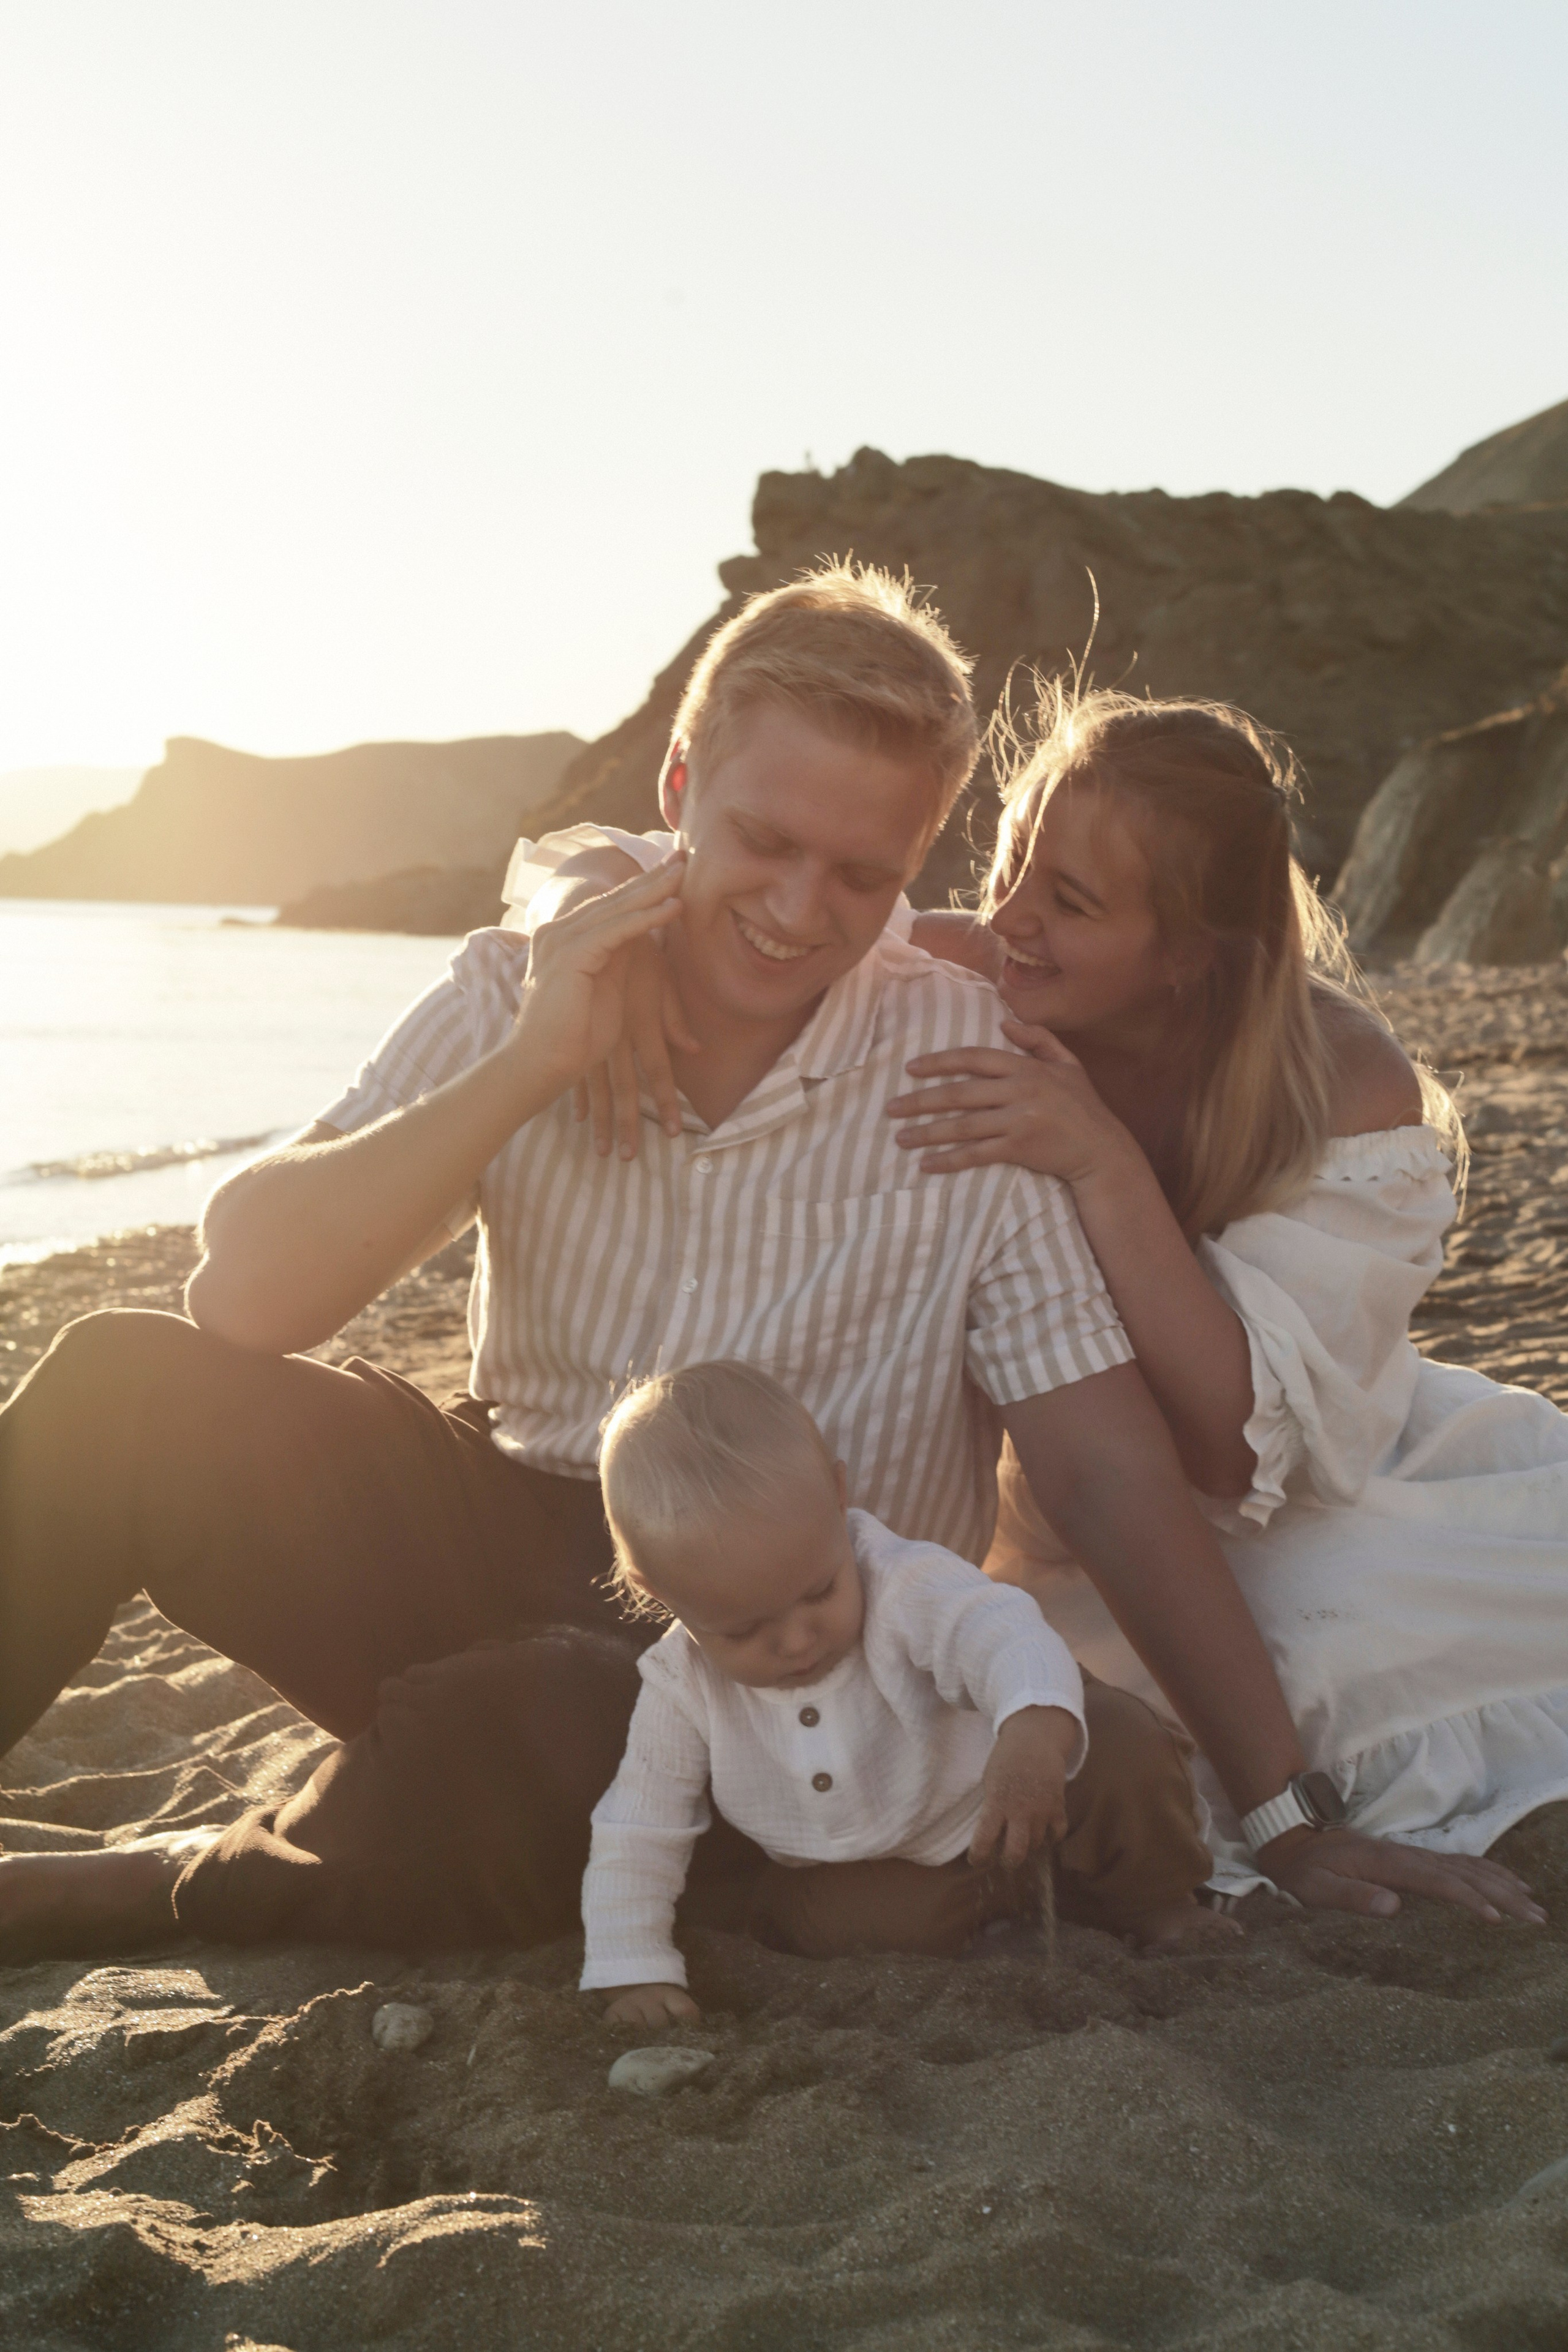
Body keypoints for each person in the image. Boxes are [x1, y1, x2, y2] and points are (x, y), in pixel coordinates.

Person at [0, 573, 1532, 1964]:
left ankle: (174, 1882)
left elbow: (1107, 1470)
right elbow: (241, 1300)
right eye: (763, 843)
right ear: (678, 789)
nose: (800, 913)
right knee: (115, 1389)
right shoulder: (530, 980)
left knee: (554, 1725)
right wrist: (533, 1060)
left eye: (862, 875)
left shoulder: (970, 1070)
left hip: (796, 1636)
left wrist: (1284, 1818)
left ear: (917, 866)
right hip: (506, 1514)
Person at [870, 684, 1568, 1896]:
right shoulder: (953, 972)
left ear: (1188, 953)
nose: (1009, 916)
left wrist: (1098, 1160)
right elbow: (725, 904)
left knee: (1330, 1637)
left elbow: (1237, 1453)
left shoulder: (1338, 1081)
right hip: (1057, 1497)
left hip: (1301, 1483)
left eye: (1070, 900)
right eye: (1012, 860)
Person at [584, 1362, 1230, 2026]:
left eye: (820, 1591)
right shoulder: (679, 1683)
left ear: (838, 1495)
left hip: (1010, 1793)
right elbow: (639, 1824)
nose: (798, 1640)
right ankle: (1009, 1928)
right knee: (837, 1921)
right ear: (653, 1588)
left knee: (1120, 1739)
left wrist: (1033, 1731)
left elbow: (1002, 1633)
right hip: (889, 1867)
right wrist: (631, 1966)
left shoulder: (901, 1581)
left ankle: (1157, 1904)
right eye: (744, 1630)